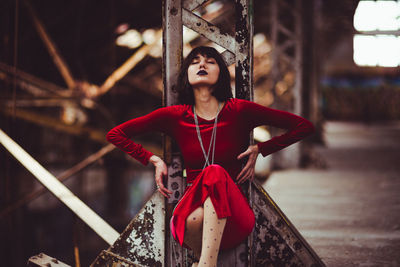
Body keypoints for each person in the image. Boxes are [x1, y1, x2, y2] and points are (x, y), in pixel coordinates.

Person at [106, 46, 315, 267]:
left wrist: (261, 149)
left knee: (214, 172)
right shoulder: (176, 116)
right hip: (192, 219)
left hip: (234, 217)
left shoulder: (239, 111)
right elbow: (116, 134)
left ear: (221, 75)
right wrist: (152, 158)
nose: (202, 64)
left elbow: (304, 126)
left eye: (210, 61)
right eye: (195, 61)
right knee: (198, 208)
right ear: (186, 73)